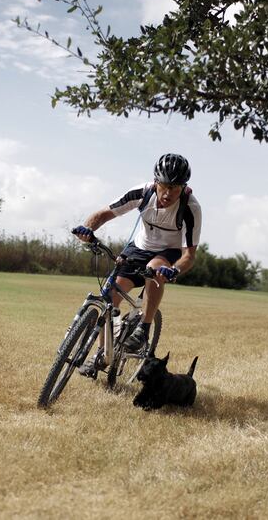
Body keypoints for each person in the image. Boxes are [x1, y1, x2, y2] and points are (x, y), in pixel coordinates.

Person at [73, 153, 202, 376]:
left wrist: (175, 269)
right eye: (164, 186)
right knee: (110, 295)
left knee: (154, 268)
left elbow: (189, 254)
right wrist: (88, 229)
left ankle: (144, 327)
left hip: (167, 252)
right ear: (155, 182)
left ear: (184, 187)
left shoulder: (190, 208)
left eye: (176, 188)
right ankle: (101, 355)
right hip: (138, 247)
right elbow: (104, 213)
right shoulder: (143, 193)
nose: (168, 193)